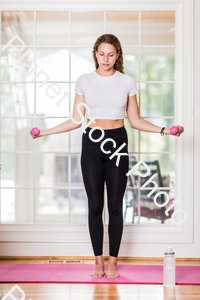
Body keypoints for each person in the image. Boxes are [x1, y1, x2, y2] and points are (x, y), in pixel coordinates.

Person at [30, 34, 184, 279]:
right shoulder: (84, 81)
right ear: (95, 54)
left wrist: (164, 130)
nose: (105, 58)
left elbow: (135, 120)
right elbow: (74, 120)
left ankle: (113, 263)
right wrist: (45, 132)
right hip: (91, 143)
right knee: (95, 206)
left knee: (114, 206)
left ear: (118, 55)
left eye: (110, 54)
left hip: (118, 144)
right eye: (101, 54)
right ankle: (98, 263)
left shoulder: (127, 82)